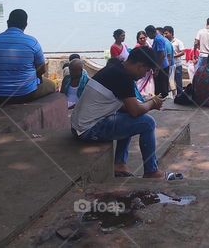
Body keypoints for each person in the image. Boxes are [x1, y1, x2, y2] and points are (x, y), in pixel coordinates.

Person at [71, 48, 170, 178]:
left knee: (129, 119)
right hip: (88, 130)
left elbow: (127, 107)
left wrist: (145, 104)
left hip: (79, 127)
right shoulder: (124, 77)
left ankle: (119, 163)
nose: (144, 75)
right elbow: (135, 111)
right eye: (146, 71)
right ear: (140, 66)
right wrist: (153, 103)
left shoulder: (115, 68)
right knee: (148, 123)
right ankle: (151, 171)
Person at [0, 9, 55, 104]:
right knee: (51, 85)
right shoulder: (32, 42)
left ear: (8, 22)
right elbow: (42, 69)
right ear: (25, 25)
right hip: (25, 94)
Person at [146, 26, 173, 98]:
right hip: (161, 65)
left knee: (162, 87)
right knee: (160, 85)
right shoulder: (158, 38)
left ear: (151, 32)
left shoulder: (158, 39)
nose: (148, 37)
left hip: (162, 65)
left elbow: (162, 55)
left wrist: (157, 68)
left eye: (148, 34)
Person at [164, 26, 186, 96]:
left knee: (178, 82)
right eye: (164, 33)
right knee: (168, 82)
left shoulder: (178, 42)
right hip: (169, 65)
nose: (165, 35)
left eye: (166, 33)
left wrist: (173, 57)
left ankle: (180, 96)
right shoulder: (165, 42)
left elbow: (183, 52)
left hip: (177, 65)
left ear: (171, 33)